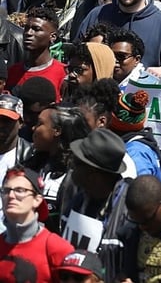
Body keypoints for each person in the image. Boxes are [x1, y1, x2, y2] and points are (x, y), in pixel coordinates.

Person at [62, 128, 132, 277]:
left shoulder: (129, 210)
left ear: (92, 174)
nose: (72, 167)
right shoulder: (78, 200)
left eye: (77, 163)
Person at [0, 166, 74, 281]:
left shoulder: (56, 248)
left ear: (37, 200)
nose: (10, 196)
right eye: (6, 190)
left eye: (20, 190)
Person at [25, 104, 90, 231]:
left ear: (57, 131)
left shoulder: (77, 175)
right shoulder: (32, 165)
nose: (33, 128)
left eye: (40, 124)